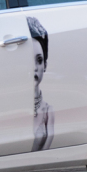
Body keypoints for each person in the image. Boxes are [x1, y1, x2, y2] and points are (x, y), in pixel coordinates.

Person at [28, 16, 54, 151]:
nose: (34, 67)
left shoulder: (48, 112)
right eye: (28, 60)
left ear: (45, 65)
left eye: (39, 60)